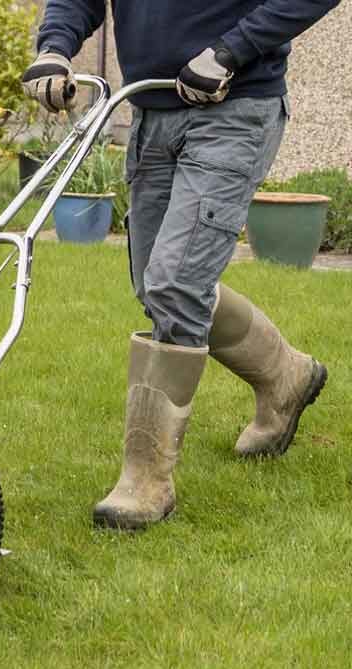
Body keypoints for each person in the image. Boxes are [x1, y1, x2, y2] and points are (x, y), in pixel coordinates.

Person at [22, 0, 339, 530]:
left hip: (232, 107)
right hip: (152, 111)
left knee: (174, 284)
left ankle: (146, 481)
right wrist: (55, 47)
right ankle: (286, 375)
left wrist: (231, 51)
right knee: (159, 287)